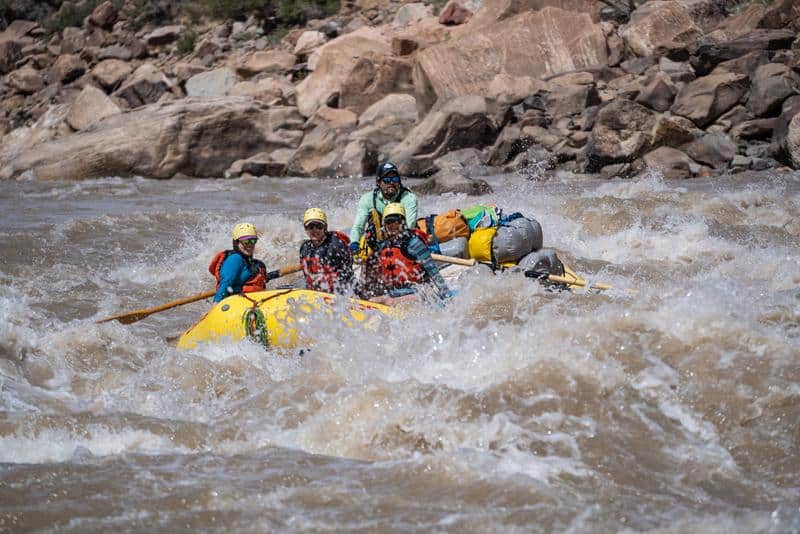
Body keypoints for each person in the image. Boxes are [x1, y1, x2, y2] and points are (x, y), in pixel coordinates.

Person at [371, 203, 453, 304]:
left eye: (396, 222)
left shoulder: (414, 243)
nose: (392, 226)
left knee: (389, 302)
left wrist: (447, 296)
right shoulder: (383, 247)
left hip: (419, 293)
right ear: (384, 225)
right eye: (388, 222)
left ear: (402, 223)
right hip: (395, 294)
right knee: (374, 300)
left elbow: (434, 272)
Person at [348, 162, 418, 254]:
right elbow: (358, 227)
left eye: (395, 179)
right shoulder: (368, 200)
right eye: (387, 180)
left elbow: (410, 225)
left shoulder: (409, 198)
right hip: (377, 243)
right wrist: (354, 242)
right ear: (378, 183)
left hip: (404, 241)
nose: (392, 183)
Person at [299, 207, 354, 294]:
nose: (315, 230)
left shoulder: (336, 245)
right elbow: (307, 274)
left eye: (319, 226)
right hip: (317, 290)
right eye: (311, 227)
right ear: (306, 229)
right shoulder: (305, 248)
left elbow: (347, 271)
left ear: (325, 228)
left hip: (340, 291)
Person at [209, 222, 268, 302]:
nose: (250, 245)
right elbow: (226, 282)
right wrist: (216, 302)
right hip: (235, 302)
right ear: (236, 242)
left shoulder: (249, 261)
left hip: (249, 301)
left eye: (253, 241)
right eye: (246, 241)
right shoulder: (235, 259)